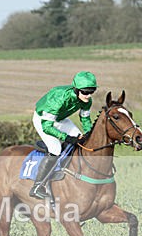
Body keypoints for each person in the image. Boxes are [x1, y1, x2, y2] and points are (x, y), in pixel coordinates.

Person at [29, 70, 97, 199]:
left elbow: (85, 119)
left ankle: (71, 173)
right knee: (55, 149)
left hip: (60, 119)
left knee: (81, 139)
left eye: (91, 92)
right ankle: (37, 186)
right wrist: (66, 138)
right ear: (76, 90)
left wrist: (88, 134)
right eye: (85, 92)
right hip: (43, 120)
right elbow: (47, 127)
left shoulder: (87, 101)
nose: (88, 96)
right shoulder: (59, 98)